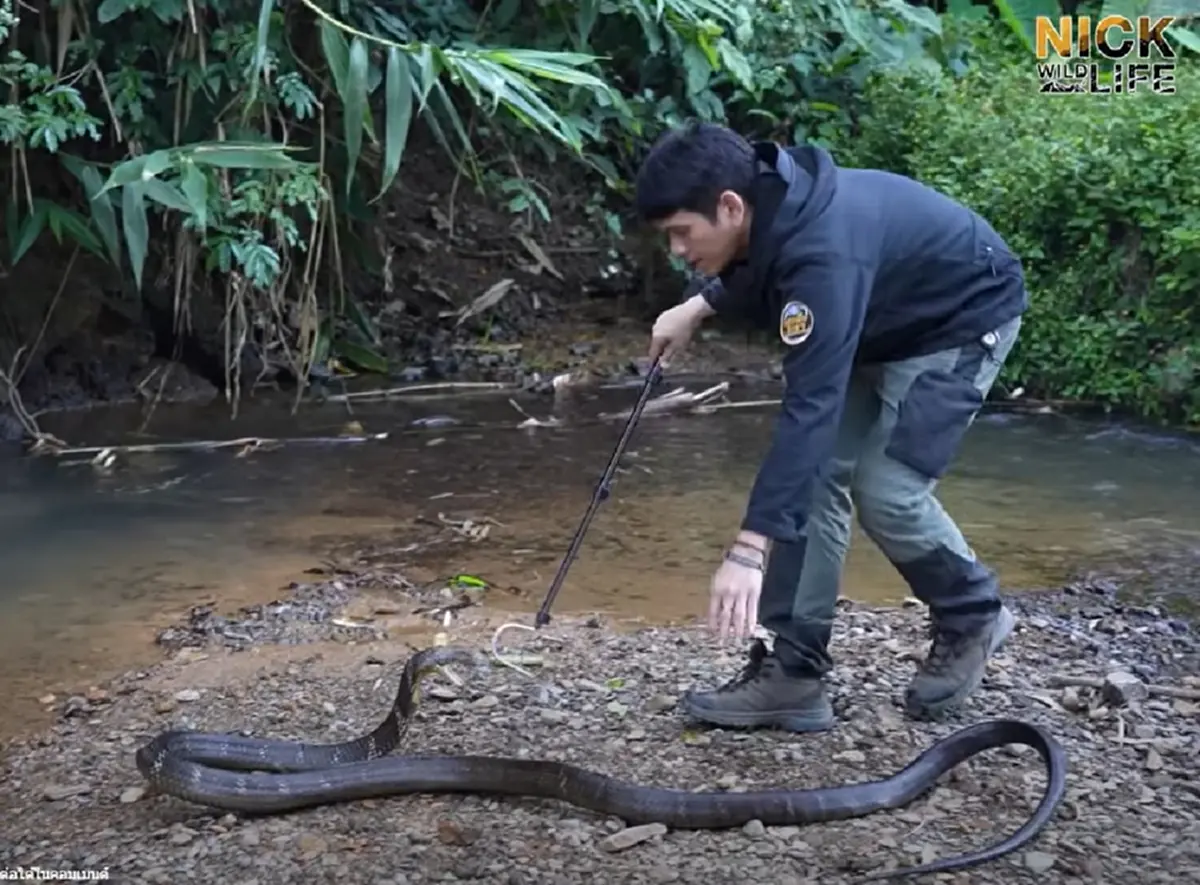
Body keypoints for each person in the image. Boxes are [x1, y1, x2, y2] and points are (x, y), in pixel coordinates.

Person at [635, 121, 1027, 732]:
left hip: (961, 315)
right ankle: (793, 674)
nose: (678, 251)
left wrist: (748, 550)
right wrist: (699, 303)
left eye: (683, 233)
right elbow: (758, 262)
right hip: (877, 317)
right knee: (814, 481)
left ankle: (972, 611)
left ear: (729, 206)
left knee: (886, 487)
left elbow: (810, 408)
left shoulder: (823, 254)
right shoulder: (768, 204)